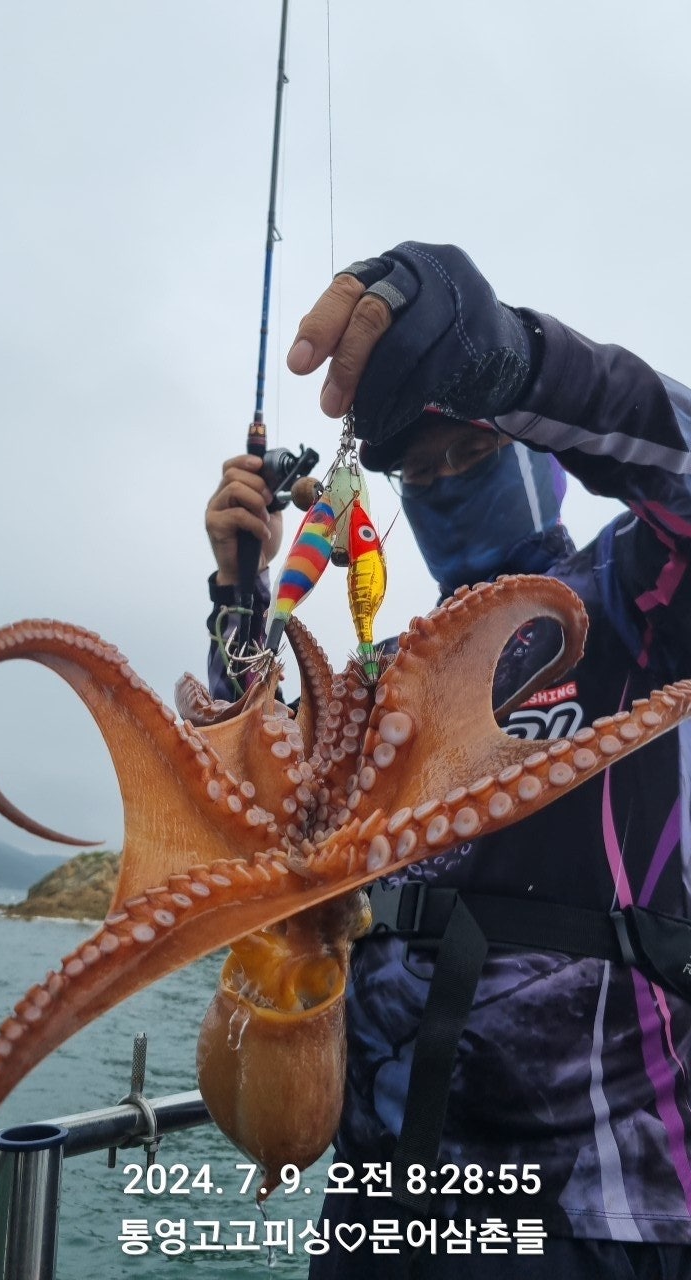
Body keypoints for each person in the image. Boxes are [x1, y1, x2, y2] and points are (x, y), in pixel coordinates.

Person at [206, 243, 691, 1277]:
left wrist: (522, 364)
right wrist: (242, 596)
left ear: (540, 452)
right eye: (418, 475)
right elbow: (260, 797)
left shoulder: (630, 605)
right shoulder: (386, 672)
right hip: (376, 1204)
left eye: (471, 452)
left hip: (588, 1211)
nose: (443, 484)